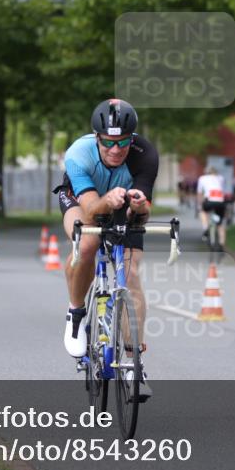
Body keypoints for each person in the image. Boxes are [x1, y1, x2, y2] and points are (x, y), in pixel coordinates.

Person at [53, 98, 158, 401]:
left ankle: (133, 362)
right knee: (87, 242)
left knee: (131, 270)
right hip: (80, 199)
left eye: (123, 142)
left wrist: (138, 207)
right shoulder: (77, 154)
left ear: (132, 138)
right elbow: (89, 212)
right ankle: (75, 313)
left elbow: (143, 214)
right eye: (109, 142)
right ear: (97, 138)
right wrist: (106, 201)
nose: (116, 149)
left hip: (121, 203)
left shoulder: (145, 154)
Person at [197, 165, 228, 250]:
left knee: (202, 211)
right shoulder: (221, 178)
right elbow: (222, 191)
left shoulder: (202, 178)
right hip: (220, 202)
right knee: (220, 224)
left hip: (209, 201)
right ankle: (221, 245)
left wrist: (199, 204)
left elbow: (199, 194)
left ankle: (206, 228)